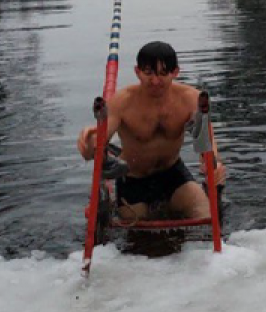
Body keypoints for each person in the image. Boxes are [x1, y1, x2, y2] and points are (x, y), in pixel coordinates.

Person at [77, 41, 227, 222]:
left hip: (173, 173)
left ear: (175, 72)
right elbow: (96, 144)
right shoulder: (122, 102)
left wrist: (214, 164)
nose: (155, 81)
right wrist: (89, 143)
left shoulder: (191, 99)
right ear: (137, 72)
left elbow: (205, 143)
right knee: (139, 235)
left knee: (205, 216)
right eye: (148, 73)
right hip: (133, 179)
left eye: (163, 74)